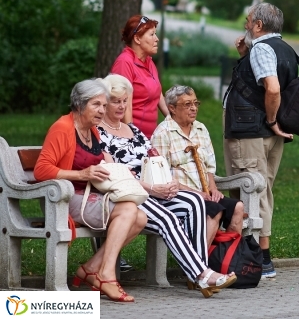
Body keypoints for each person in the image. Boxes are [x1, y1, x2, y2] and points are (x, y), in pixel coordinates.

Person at [97, 75, 237, 297]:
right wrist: (152, 188)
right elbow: (118, 174)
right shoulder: (98, 134)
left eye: (124, 100)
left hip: (152, 191)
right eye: (115, 101)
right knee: (168, 219)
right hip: (128, 195)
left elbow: (156, 159)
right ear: (103, 102)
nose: (122, 105)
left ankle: (199, 270)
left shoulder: (132, 129)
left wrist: (169, 182)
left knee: (194, 202)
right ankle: (201, 274)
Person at [34, 79, 147, 303]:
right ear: (80, 104)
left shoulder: (92, 131)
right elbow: (41, 170)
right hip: (64, 199)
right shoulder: (63, 128)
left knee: (140, 217)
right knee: (128, 211)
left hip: (87, 195)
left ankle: (91, 268)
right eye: (96, 105)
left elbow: (98, 160)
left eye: (104, 106)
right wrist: (81, 175)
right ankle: (105, 274)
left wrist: (117, 170)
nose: (102, 110)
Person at [224, 2, 297, 279]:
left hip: (252, 132)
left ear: (258, 26)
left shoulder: (263, 49)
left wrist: (270, 119)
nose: (245, 24)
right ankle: (255, 256)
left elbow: (273, 89)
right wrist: (245, 54)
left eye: (248, 20)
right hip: (262, 134)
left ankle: (258, 259)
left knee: (251, 193)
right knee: (261, 190)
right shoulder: (284, 48)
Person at [151, 85, 245, 239]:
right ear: (172, 108)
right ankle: (199, 261)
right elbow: (163, 177)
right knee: (214, 211)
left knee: (238, 207)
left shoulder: (201, 129)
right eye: (187, 104)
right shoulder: (162, 133)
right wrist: (198, 194)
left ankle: (226, 258)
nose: (194, 108)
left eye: (195, 103)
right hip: (179, 196)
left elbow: (209, 166)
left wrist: (212, 189)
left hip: (204, 195)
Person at [110, 15, 169, 138]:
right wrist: (133, 139)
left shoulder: (149, 62)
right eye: (152, 34)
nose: (157, 39)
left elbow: (157, 94)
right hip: (132, 138)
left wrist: (174, 121)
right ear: (137, 39)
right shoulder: (124, 63)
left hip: (150, 137)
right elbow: (124, 106)